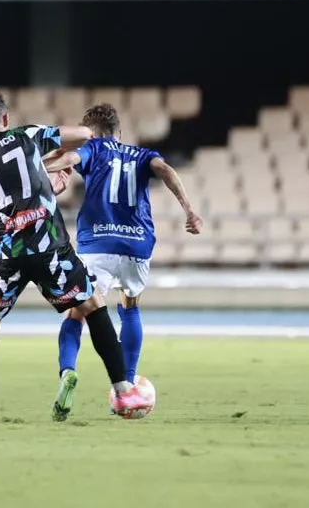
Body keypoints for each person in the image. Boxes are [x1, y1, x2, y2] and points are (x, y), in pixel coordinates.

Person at [0, 91, 155, 424]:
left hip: (6, 254)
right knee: (92, 306)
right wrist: (53, 173)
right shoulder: (25, 136)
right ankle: (123, 390)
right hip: (48, 246)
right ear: (4, 119)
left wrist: (40, 184)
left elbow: (4, 200)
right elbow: (85, 134)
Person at [42, 103, 203, 422]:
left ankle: (68, 372)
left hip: (97, 243)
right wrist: (188, 210)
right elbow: (166, 170)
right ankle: (126, 385)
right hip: (136, 243)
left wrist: (40, 163)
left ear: (91, 132)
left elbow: (68, 159)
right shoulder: (142, 154)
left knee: (77, 314)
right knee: (130, 308)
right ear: (119, 132)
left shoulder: (92, 149)